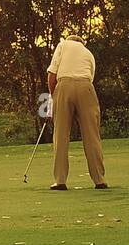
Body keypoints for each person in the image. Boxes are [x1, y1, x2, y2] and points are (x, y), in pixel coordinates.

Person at [46, 34, 107, 190]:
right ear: (82, 43)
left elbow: (52, 75)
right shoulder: (89, 54)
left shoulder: (62, 45)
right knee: (92, 135)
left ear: (69, 40)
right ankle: (99, 180)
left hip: (64, 85)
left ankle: (60, 181)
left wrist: (53, 97)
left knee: (60, 135)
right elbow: (90, 78)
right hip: (86, 87)